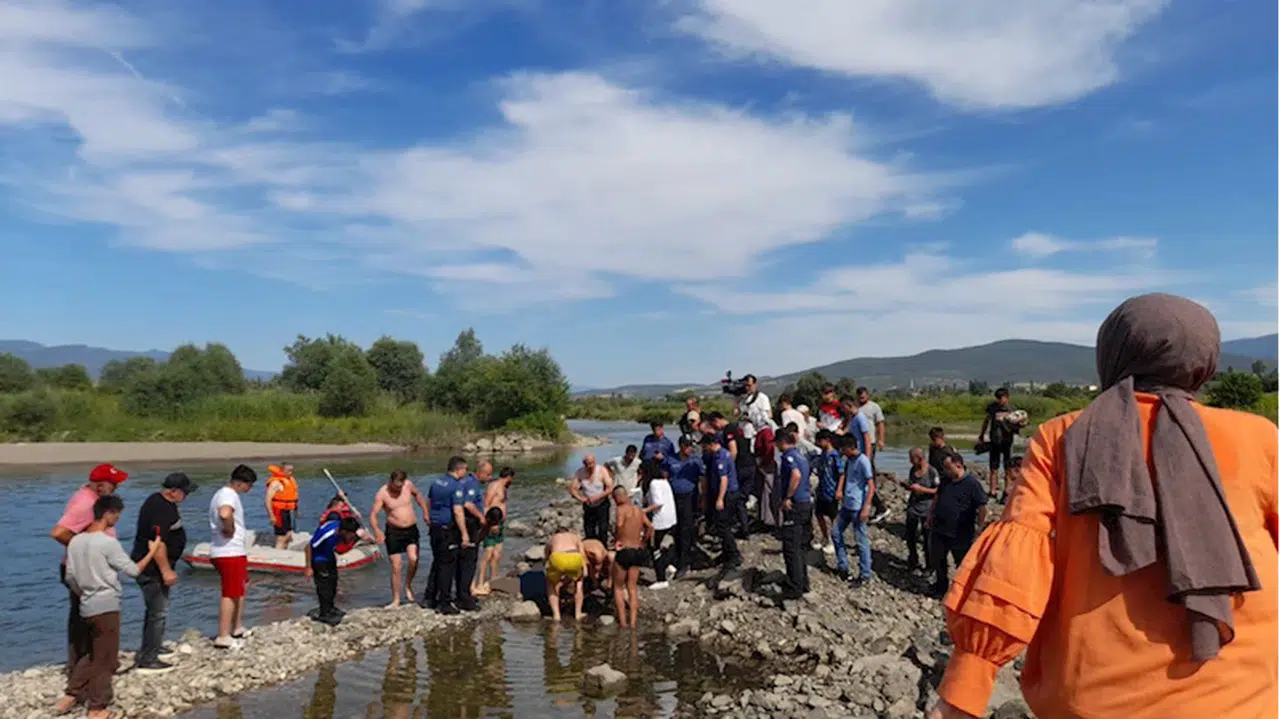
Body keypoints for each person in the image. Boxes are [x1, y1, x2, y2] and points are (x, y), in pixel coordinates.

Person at [929, 294, 1280, 719]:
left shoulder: (1063, 436)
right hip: (1241, 695)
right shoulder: (1259, 437)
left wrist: (965, 685)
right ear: (1205, 362)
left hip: (1091, 699)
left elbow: (1016, 563)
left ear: (1112, 353)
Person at [55, 495, 163, 719]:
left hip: (86, 602)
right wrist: (153, 551)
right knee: (105, 658)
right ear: (108, 514)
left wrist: (83, 593)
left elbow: (71, 576)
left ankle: (71, 694)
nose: (117, 520)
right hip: (106, 604)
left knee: (90, 652)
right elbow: (133, 570)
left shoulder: (76, 541)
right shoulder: (107, 543)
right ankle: (97, 706)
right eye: (117, 516)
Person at [50, 463, 127, 674]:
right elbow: (58, 532)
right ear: (100, 485)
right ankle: (86, 667)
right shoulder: (86, 504)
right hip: (85, 569)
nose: (117, 488)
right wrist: (87, 550)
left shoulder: (90, 498)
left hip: (85, 568)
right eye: (114, 484)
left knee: (86, 615)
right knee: (91, 618)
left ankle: (89, 663)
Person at [131, 472, 195, 674]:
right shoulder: (161, 509)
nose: (186, 496)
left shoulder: (160, 502)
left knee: (157, 610)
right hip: (153, 569)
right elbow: (157, 544)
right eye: (185, 492)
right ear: (173, 491)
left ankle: (155, 645)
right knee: (157, 612)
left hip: (155, 566)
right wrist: (166, 571)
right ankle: (148, 659)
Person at [926, 451, 987, 598]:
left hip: (960, 532)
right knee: (938, 559)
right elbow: (937, 497)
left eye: (948, 467)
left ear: (958, 465)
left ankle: (961, 590)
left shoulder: (972, 484)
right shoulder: (945, 481)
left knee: (961, 563)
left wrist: (979, 528)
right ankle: (940, 586)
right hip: (940, 528)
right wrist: (930, 515)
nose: (946, 471)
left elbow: (982, 507)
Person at [209, 464, 256, 649]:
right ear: (240, 483)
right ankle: (223, 635)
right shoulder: (228, 495)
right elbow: (225, 513)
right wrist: (229, 528)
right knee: (229, 592)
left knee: (241, 587)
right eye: (249, 485)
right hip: (228, 551)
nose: (249, 489)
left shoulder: (223, 494)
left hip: (232, 551)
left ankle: (237, 627)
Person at [370, 470, 430, 608]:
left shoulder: (408, 485)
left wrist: (425, 512)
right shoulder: (382, 493)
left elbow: (418, 495)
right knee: (396, 566)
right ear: (390, 481)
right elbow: (373, 514)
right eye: (395, 486)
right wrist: (377, 530)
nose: (398, 490)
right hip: (394, 532)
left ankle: (408, 585)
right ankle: (396, 599)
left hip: (411, 529)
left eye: (400, 487)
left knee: (413, 559)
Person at [423, 457, 472, 615]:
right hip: (447, 529)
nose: (466, 473)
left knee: (437, 562)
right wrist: (464, 533)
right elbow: (458, 511)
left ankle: (429, 597)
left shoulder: (436, 482)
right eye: (465, 469)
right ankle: (444, 602)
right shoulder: (456, 486)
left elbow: (429, 501)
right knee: (447, 566)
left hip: (435, 527)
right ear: (459, 469)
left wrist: (429, 517)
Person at [304, 516, 362, 625]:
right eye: (351, 534)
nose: (353, 535)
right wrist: (309, 567)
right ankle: (324, 613)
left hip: (329, 556)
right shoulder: (327, 534)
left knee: (333, 582)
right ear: (344, 531)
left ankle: (330, 607)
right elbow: (308, 547)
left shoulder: (342, 529)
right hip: (319, 559)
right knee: (324, 586)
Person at [833, 435, 875, 585]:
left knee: (861, 540)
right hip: (847, 504)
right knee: (835, 532)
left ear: (850, 448)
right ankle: (843, 566)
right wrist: (840, 490)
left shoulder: (863, 461)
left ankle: (865, 574)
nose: (842, 452)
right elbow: (845, 475)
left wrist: (866, 507)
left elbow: (871, 486)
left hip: (858, 506)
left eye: (843, 449)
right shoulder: (849, 460)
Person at [775, 429, 812, 599]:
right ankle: (803, 582)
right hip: (806, 503)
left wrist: (787, 497)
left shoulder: (788, 457)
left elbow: (795, 475)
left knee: (791, 547)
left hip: (795, 505)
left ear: (782, 441)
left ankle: (794, 587)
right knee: (801, 547)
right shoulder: (801, 456)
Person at [840, 393, 886, 524]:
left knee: (866, 483)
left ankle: (880, 508)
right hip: (855, 455)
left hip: (862, 456)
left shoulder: (860, 417)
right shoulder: (853, 418)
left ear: (848, 406)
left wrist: (867, 458)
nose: (842, 410)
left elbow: (867, 438)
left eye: (843, 408)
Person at [612, 486, 653, 627]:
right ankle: (633, 623)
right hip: (637, 550)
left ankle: (623, 623)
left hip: (624, 550)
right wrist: (643, 542)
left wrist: (617, 539)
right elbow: (650, 527)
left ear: (618, 497)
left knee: (618, 587)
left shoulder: (621, 509)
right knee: (632, 587)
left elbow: (619, 525)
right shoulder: (638, 510)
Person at [700, 433, 741, 574]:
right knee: (722, 525)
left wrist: (720, 499)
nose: (704, 449)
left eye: (705, 446)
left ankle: (733, 555)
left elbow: (724, 480)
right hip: (728, 493)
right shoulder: (720, 454)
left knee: (723, 526)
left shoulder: (720, 458)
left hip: (727, 494)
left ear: (711, 444)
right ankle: (726, 553)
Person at [663, 436, 702, 579]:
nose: (689, 448)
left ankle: (685, 561)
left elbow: (702, 479)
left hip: (689, 496)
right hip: (673, 497)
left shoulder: (695, 460)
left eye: (690, 446)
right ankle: (678, 554)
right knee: (676, 528)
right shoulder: (670, 459)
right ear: (680, 446)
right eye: (686, 446)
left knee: (686, 528)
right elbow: (665, 477)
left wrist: (703, 499)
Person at [455, 461, 490, 612]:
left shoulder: (465, 481)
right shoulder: (472, 484)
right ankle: (464, 598)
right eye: (488, 474)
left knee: (461, 561)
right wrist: (481, 517)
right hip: (470, 525)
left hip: (463, 525)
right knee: (468, 562)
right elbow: (468, 504)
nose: (489, 478)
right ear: (480, 472)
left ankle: (461, 593)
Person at [475, 467, 515, 597]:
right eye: (512, 478)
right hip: (492, 523)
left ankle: (493, 580)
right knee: (488, 553)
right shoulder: (495, 486)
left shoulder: (503, 488)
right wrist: (491, 524)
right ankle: (480, 583)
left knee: (497, 554)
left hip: (499, 524)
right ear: (509, 477)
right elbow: (486, 504)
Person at [900, 448, 939, 573]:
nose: (910, 461)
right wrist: (908, 486)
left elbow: (938, 490)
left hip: (927, 508)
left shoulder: (932, 471)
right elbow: (912, 484)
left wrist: (922, 489)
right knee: (910, 535)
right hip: (913, 506)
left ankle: (929, 565)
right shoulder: (913, 470)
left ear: (919, 458)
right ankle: (913, 560)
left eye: (912, 458)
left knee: (928, 539)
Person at [640, 458, 676, 588]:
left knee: (654, 548)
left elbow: (658, 502)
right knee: (661, 546)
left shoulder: (654, 484)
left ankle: (661, 579)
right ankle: (668, 566)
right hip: (670, 518)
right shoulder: (663, 481)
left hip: (660, 520)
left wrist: (643, 511)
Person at [978, 387, 1017, 500]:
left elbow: (1017, 426)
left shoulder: (1012, 409)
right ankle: (993, 491)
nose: (1000, 400)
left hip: (1007, 441)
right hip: (995, 440)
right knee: (993, 467)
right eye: (998, 398)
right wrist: (982, 435)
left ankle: (1007, 491)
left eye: (1001, 398)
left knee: (1007, 467)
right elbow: (987, 421)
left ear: (1007, 397)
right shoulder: (992, 408)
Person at [544, 530, 587, 622]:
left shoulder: (552, 538)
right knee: (579, 581)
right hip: (574, 556)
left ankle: (556, 615)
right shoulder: (575, 536)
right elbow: (582, 554)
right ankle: (578, 614)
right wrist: (584, 568)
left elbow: (547, 556)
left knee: (551, 583)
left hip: (557, 557)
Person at [569, 455, 613, 544]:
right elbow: (572, 489)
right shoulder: (580, 472)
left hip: (602, 504)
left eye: (591, 463)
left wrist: (597, 497)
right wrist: (581, 498)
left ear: (595, 462)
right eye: (587, 464)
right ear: (584, 464)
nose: (590, 466)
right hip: (588, 505)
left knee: (603, 528)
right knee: (589, 529)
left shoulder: (602, 470)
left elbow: (610, 488)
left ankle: (603, 547)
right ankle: (591, 546)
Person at [811, 430, 842, 554]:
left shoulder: (834, 455)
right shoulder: (823, 454)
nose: (818, 443)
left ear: (827, 440)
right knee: (819, 514)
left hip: (832, 489)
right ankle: (825, 537)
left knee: (833, 517)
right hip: (822, 489)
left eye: (820, 441)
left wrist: (839, 489)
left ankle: (834, 541)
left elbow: (841, 473)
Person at [264, 463, 299, 550]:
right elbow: (267, 500)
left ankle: (284, 550)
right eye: (288, 470)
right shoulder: (275, 483)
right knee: (281, 537)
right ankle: (278, 552)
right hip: (278, 511)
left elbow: (294, 497)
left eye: (292, 470)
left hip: (287, 510)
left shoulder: (291, 480)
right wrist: (271, 516)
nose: (290, 473)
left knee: (288, 534)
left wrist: (296, 510)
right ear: (282, 470)